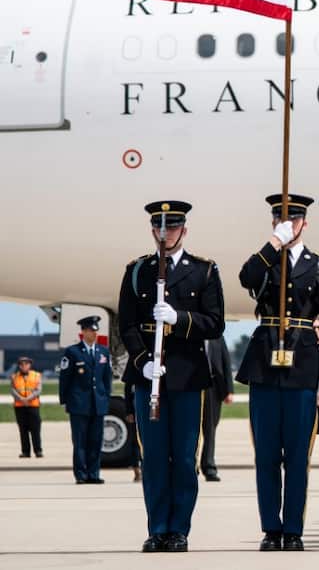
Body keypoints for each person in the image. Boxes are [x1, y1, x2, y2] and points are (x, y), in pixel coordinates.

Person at [118, 200, 225, 553]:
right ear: (153, 231)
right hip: (148, 374)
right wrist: (142, 361)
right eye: (160, 228)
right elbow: (127, 324)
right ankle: (157, 528)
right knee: (154, 458)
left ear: (184, 230)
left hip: (185, 376)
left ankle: (179, 529)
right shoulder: (138, 271)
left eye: (173, 227)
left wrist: (179, 318)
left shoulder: (203, 272)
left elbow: (214, 323)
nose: (166, 234)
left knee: (182, 458)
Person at [236, 193, 319, 551]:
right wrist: (274, 242)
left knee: (297, 455)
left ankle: (293, 529)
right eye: (281, 220)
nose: (289, 225)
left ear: (305, 223)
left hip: (303, 365)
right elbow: (245, 277)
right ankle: (271, 528)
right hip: (265, 362)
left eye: (294, 220)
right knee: (266, 454)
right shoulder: (267, 260)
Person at [59, 315, 113, 485]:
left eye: (95, 331)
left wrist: (106, 398)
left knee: (96, 441)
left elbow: (107, 379)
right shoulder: (72, 352)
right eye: (90, 331)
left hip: (98, 404)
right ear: (83, 332)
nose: (94, 334)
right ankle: (81, 475)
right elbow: (65, 379)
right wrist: (64, 400)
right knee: (80, 441)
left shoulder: (103, 352)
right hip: (79, 404)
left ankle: (94, 473)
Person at [199, 335, 233, 481]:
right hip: (194, 384)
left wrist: (229, 390)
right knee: (191, 428)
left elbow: (226, 361)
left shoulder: (217, 336)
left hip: (213, 386)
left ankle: (209, 467)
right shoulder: (192, 333)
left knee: (210, 428)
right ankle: (191, 466)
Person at [11, 355, 43, 458]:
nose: (24, 366)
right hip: (19, 407)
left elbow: (38, 390)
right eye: (22, 364)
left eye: (26, 364)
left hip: (33, 406)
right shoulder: (14, 376)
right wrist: (21, 399)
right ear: (19, 366)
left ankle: (38, 450)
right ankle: (25, 452)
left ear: (30, 365)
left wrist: (28, 399)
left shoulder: (36, 375)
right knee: (23, 430)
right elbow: (13, 390)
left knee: (35, 429)